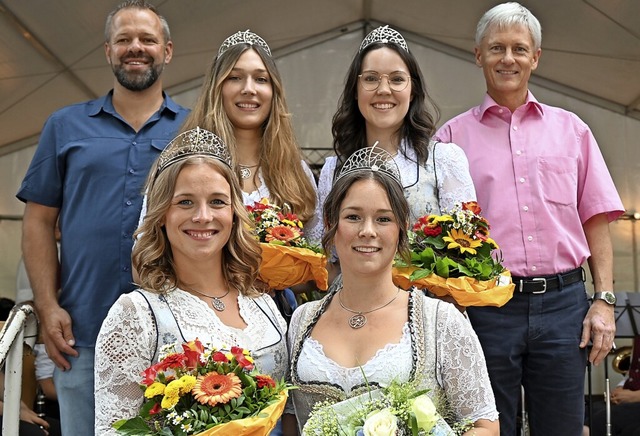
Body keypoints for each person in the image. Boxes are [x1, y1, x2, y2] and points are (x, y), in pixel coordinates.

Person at [435, 3, 625, 435]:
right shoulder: (448, 141)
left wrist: (604, 300)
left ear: (536, 57)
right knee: (484, 427)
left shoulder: (572, 130)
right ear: (477, 54)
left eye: (519, 49)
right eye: (496, 48)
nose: (508, 58)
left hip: (563, 306)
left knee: (562, 427)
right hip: (484, 307)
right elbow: (435, 235)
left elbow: (596, 218)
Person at [15, 1, 189, 434]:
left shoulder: (193, 129)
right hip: (81, 331)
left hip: (174, 331)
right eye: (124, 39)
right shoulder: (65, 126)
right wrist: (47, 304)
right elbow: (37, 222)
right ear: (108, 50)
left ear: (167, 51)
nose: (136, 47)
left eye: (147, 39)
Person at [287, 146, 499, 435]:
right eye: (353, 217)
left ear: (401, 229)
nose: (368, 231)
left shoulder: (441, 321)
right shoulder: (302, 320)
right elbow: (290, 422)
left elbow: (484, 426)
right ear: (331, 224)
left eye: (383, 219)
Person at [94, 128, 292, 435]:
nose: (203, 216)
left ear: (234, 213)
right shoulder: (137, 314)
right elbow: (114, 430)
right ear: (161, 215)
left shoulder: (262, 303)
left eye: (216, 202)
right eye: (185, 202)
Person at [139, 29, 319, 317]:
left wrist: (272, 274)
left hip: (276, 317)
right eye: (235, 77)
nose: (249, 88)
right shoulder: (180, 162)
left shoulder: (295, 170)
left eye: (261, 79)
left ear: (274, 91)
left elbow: (318, 266)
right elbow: (144, 252)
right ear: (217, 87)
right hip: (194, 315)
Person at [307, 25, 476, 248]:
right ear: (355, 90)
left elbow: (467, 253)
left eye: (396, 79)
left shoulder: (444, 160)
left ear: (412, 90)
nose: (384, 89)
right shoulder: (333, 170)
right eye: (371, 79)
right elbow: (323, 257)